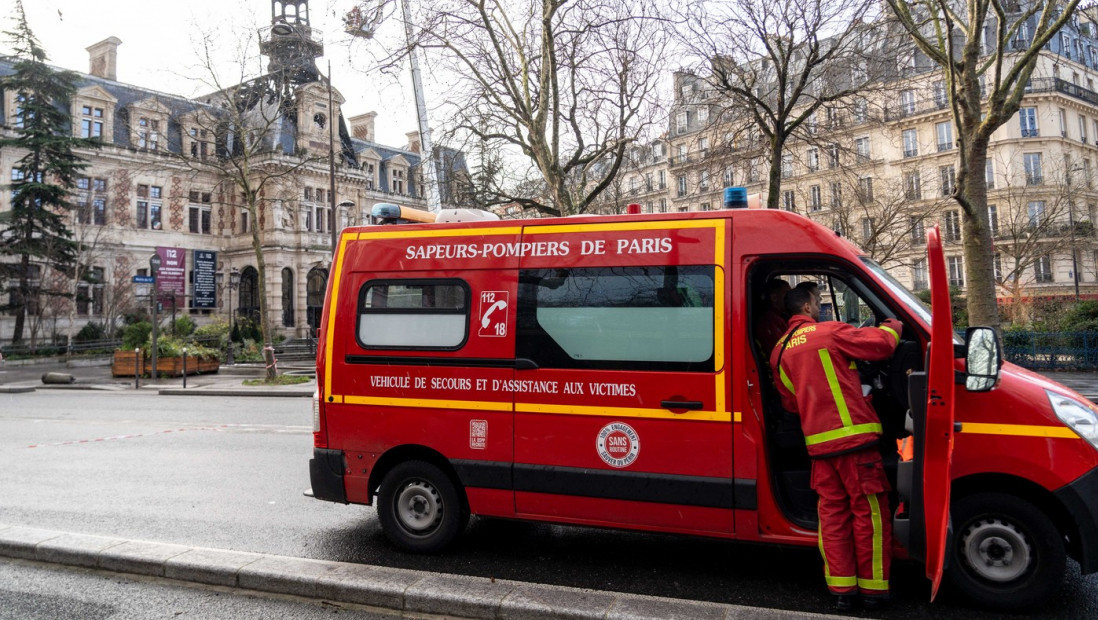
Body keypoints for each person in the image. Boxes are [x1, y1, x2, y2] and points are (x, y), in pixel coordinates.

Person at [769, 281, 902, 612]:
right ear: (809, 307)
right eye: (817, 302)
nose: (819, 307)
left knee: (832, 517)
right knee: (869, 513)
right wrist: (894, 323)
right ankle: (874, 591)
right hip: (855, 442)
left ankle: (842, 590)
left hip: (819, 449)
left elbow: (791, 404)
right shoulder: (828, 333)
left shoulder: (779, 351)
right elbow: (881, 345)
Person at [755, 278, 791, 354]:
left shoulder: (781, 316)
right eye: (787, 294)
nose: (790, 298)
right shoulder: (770, 321)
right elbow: (782, 350)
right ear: (774, 298)